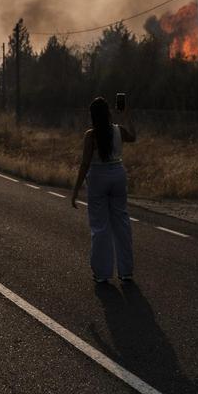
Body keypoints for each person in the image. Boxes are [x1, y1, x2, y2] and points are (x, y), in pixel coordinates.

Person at [71, 96, 136, 284]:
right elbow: (133, 136)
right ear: (108, 113)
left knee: (100, 226)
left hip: (98, 177)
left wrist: (75, 191)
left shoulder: (91, 135)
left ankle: (102, 273)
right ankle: (126, 271)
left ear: (92, 116)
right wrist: (126, 115)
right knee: (122, 223)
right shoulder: (118, 131)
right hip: (118, 173)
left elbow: (84, 164)